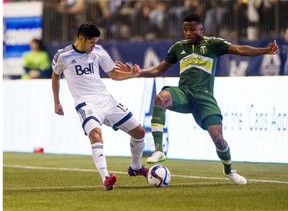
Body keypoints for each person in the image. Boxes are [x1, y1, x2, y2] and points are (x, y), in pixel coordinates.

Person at [119, 14, 279, 185]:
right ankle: (159, 150)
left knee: (219, 139)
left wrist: (264, 50)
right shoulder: (178, 48)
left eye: (192, 29)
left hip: (204, 98)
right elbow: (159, 69)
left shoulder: (213, 44)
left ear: (201, 29)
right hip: (184, 93)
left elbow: (240, 49)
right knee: (160, 98)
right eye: (185, 29)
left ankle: (229, 170)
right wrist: (139, 72)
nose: (188, 33)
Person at [51, 22, 148, 190]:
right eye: (92, 42)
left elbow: (114, 75)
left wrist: (131, 74)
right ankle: (106, 177)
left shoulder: (98, 52)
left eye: (96, 41)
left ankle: (136, 167)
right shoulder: (63, 56)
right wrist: (57, 102)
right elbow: (55, 77)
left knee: (139, 132)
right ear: (81, 38)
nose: (94, 45)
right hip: (85, 104)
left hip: (106, 101)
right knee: (96, 135)